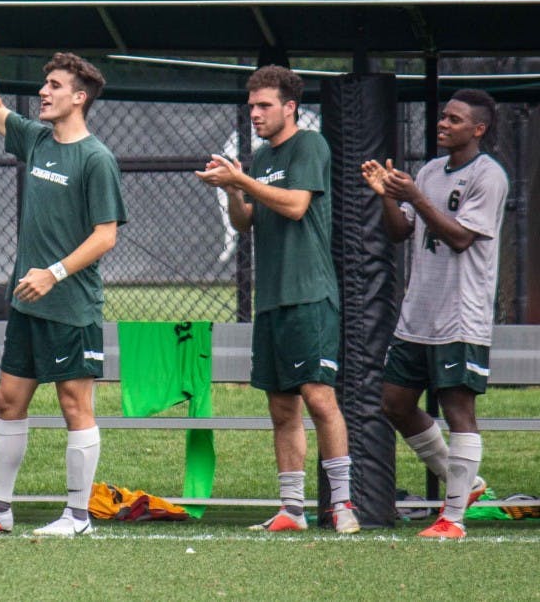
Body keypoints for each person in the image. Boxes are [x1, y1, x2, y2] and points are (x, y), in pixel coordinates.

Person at [0, 35, 126, 536]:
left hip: (72, 306)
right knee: (8, 401)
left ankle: (78, 518)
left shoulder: (96, 158)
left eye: (54, 85)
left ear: (79, 97)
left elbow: (105, 235)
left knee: (73, 406)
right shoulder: (37, 139)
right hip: (27, 306)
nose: (44, 92)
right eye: (45, 83)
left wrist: (54, 273)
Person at [196, 65, 359, 533]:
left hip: (309, 296)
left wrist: (242, 182)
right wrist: (232, 189)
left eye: (264, 105)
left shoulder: (310, 144)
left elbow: (295, 205)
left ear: (290, 107)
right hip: (271, 301)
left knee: (318, 397)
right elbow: (246, 221)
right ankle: (292, 509)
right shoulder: (262, 157)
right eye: (251, 106)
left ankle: (342, 506)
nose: (255, 114)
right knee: (281, 407)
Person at [361, 89, 507, 539]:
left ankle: (454, 518)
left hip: (460, 317)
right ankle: (467, 484)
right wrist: (388, 195)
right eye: (443, 117)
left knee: (458, 409)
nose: (443, 124)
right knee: (394, 404)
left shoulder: (488, 176)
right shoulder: (427, 171)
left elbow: (462, 237)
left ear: (477, 129)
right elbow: (400, 230)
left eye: (454, 119)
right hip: (418, 315)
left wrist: (418, 198)